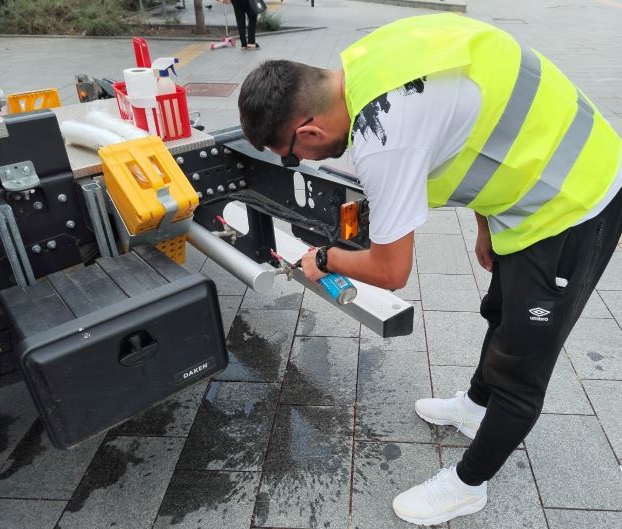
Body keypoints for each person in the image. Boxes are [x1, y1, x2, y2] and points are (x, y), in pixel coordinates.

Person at [237, 13, 622, 527]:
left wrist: (322, 260)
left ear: (307, 129)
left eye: (291, 156)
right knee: (501, 309)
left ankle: (468, 485)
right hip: (534, 182)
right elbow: (487, 116)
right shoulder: (368, 58)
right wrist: (487, 223)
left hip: (575, 202)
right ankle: (476, 406)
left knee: (524, 361)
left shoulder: (383, 135)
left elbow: (391, 269)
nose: (299, 162)